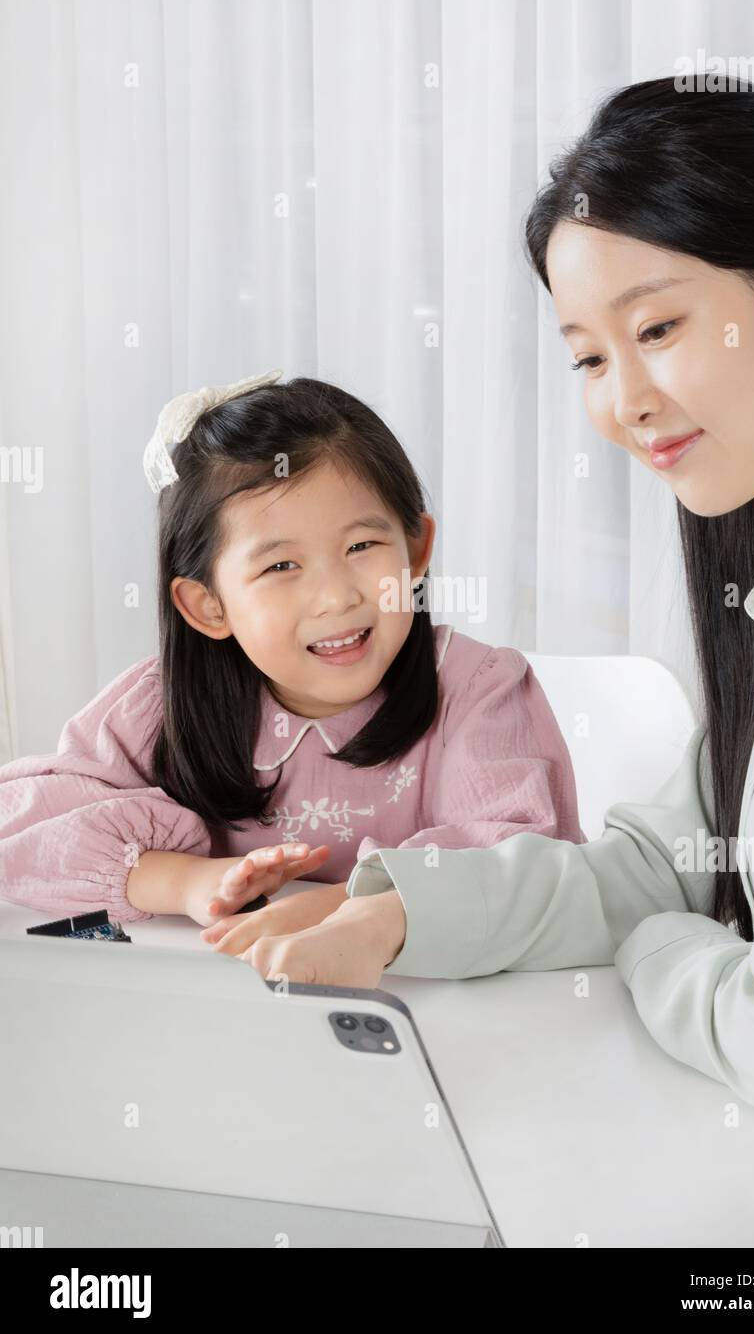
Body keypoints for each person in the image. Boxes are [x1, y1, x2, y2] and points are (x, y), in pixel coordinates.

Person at [242, 77, 754, 1232]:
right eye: (586, 357)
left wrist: (664, 946)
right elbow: (649, 866)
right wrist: (400, 913)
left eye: (659, 328)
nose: (625, 399)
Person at [0, 374, 582, 930]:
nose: (336, 596)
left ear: (415, 550)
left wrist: (339, 910)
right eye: (282, 565)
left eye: (361, 545)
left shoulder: (479, 690)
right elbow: (25, 828)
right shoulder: (157, 707)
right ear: (208, 606)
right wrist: (186, 883)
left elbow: (522, 868)